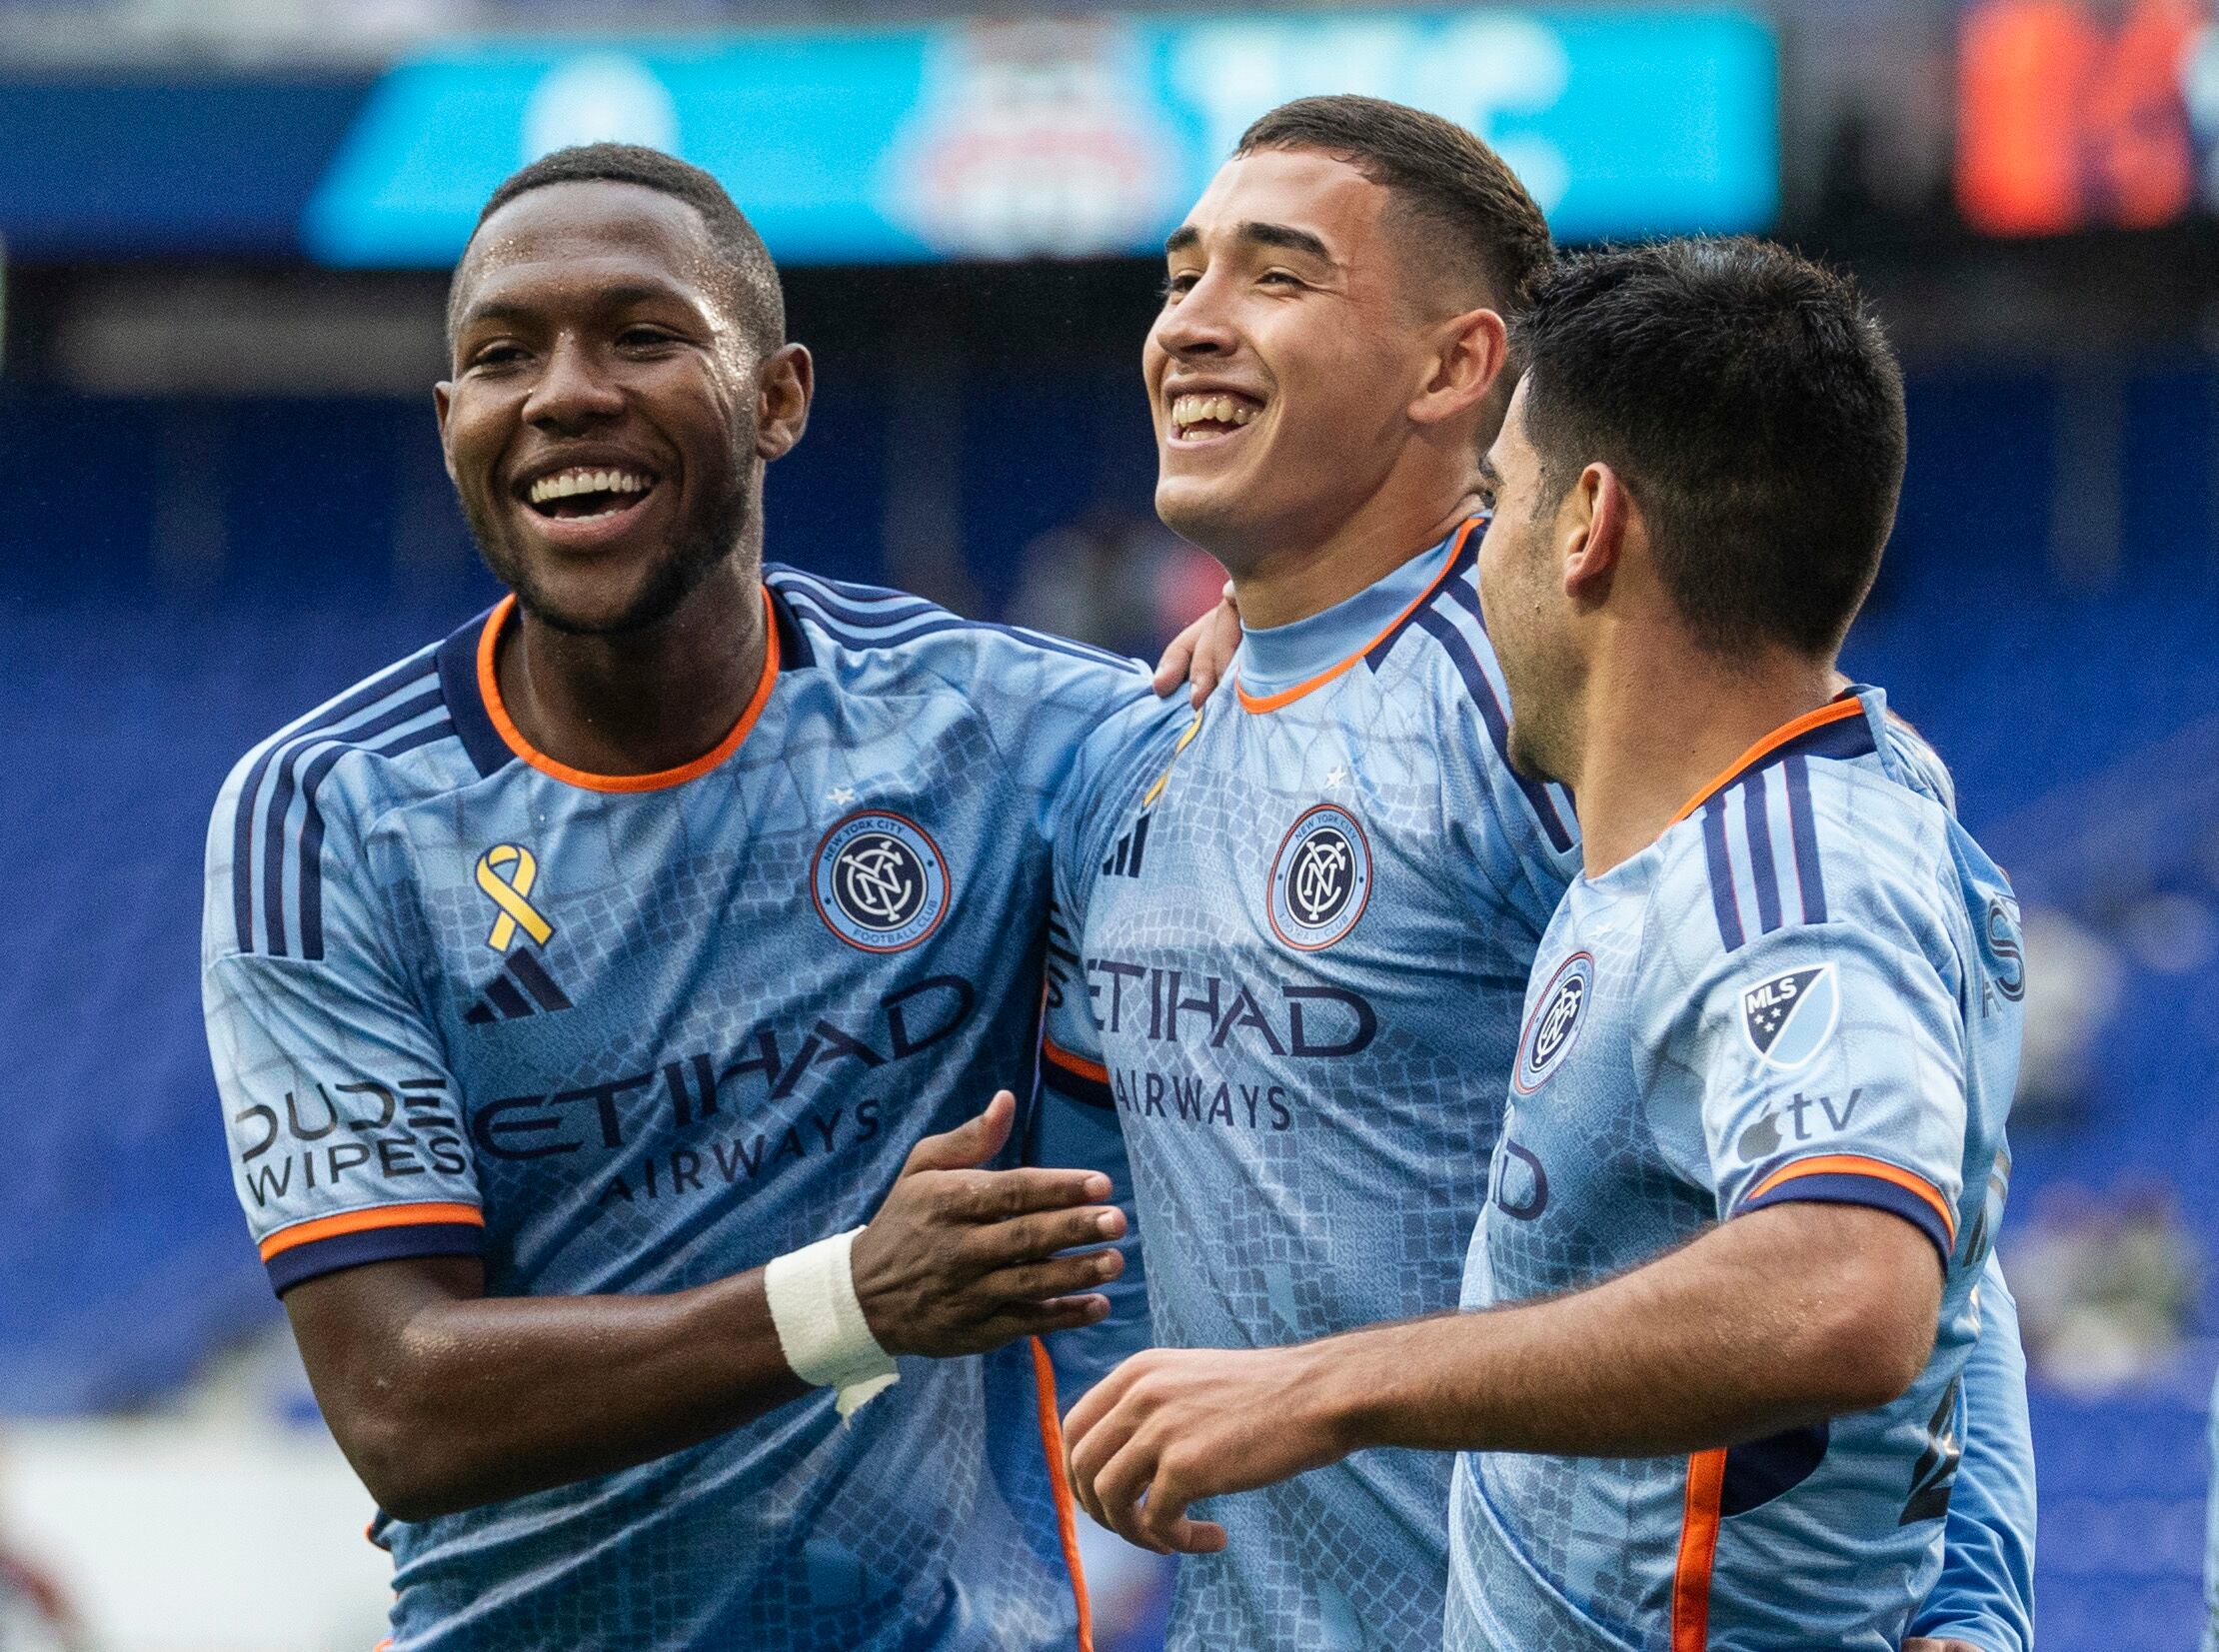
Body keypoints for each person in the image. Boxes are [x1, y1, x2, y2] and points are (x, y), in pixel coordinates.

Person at [1047, 101, 2033, 1651]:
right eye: (1181, 276)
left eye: (1275, 277)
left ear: (1460, 372)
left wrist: (1973, 1599)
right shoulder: (1128, 741)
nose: (1191, 326)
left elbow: (1901, 1216)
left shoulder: (1570, 729)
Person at [200, 143, 1187, 1651]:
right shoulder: (332, 816)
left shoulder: (1006, 736)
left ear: (779, 397)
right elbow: (397, 1397)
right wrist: (851, 1297)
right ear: (453, 421)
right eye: (501, 356)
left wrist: (1278, 655)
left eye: (643, 335)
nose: (565, 393)